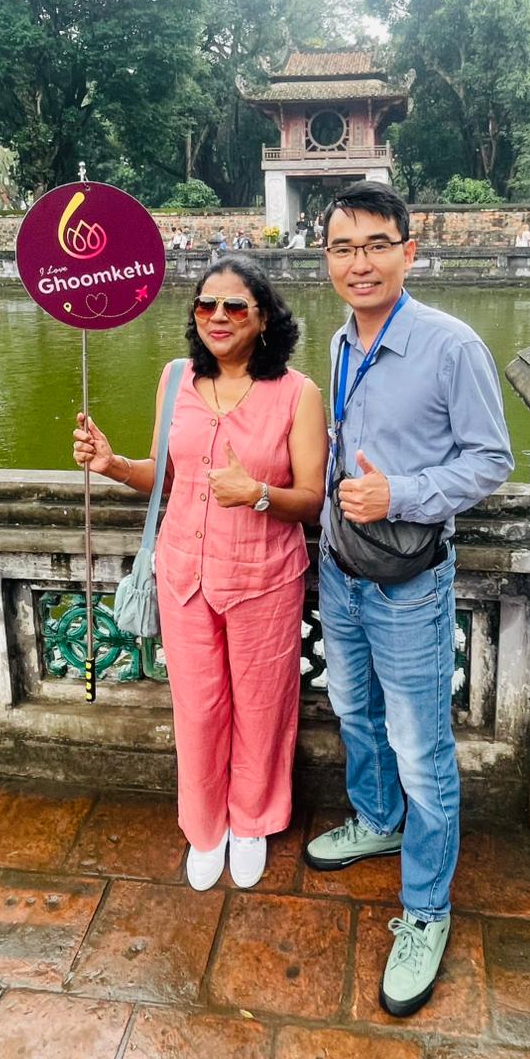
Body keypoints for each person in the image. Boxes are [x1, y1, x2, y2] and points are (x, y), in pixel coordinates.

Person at [305, 181, 513, 1018]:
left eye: (376, 244)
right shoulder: (338, 342)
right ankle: (376, 817)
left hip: (409, 579)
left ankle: (426, 908)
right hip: (337, 566)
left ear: (408, 250)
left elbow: (491, 459)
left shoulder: (450, 345)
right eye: (344, 248)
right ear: (327, 260)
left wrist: (405, 495)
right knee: (352, 709)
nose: (361, 262)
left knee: (421, 746)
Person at [73, 258, 328, 891]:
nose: (218, 317)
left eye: (235, 307)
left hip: (265, 576)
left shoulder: (297, 393)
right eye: (206, 305)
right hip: (183, 573)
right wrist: (111, 464)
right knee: (198, 707)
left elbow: (312, 498)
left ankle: (251, 821)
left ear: (263, 318)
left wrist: (258, 493)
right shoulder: (175, 379)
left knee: (264, 707)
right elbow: (164, 476)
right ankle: (205, 823)